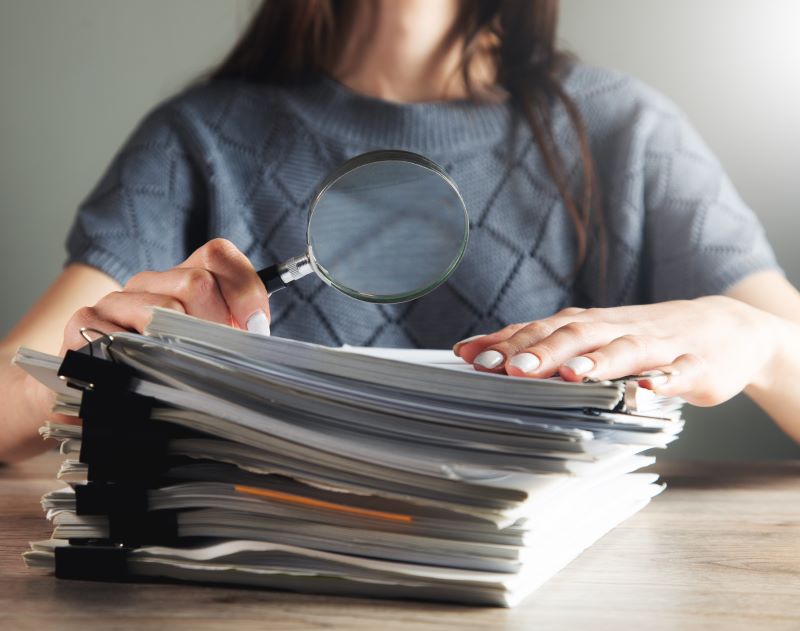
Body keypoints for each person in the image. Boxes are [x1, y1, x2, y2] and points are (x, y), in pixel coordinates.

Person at [1, 0, 799, 463]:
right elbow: (14, 395)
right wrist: (99, 364)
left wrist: (758, 339)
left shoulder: (627, 132)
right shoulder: (197, 139)